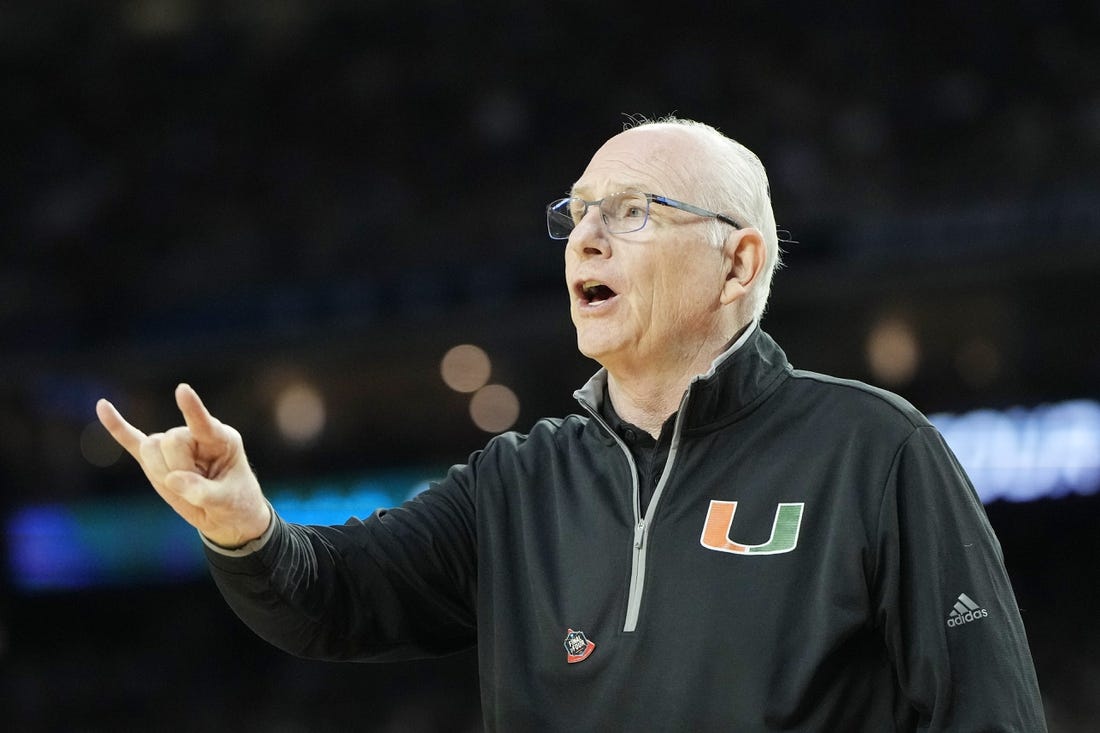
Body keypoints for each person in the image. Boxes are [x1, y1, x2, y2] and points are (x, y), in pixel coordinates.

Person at [97, 116, 1047, 731]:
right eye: (577, 214)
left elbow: (989, 715)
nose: (585, 237)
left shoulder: (875, 449)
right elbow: (328, 599)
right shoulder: (518, 480)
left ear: (739, 263)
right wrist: (244, 528)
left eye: (632, 211)